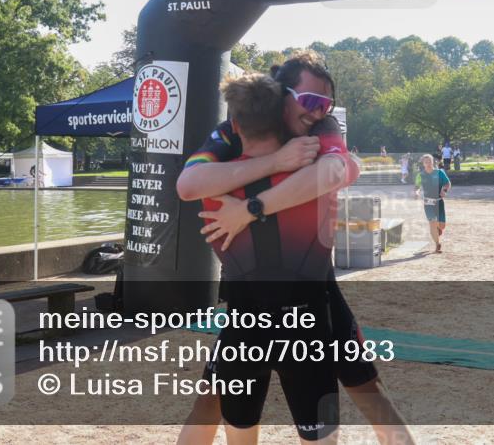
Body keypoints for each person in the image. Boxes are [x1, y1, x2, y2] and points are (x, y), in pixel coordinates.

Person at [175, 50, 413, 445]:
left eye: (326, 104)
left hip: (316, 293)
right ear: (281, 94)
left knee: (367, 392)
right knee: (212, 401)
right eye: (310, 101)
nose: (319, 112)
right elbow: (186, 184)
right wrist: (276, 162)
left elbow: (338, 170)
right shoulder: (237, 127)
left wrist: (251, 208)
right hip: (262, 302)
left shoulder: (322, 129)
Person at [202, 73, 343, 444]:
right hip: (309, 325)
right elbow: (339, 170)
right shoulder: (313, 180)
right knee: (322, 438)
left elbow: (187, 186)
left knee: (240, 435)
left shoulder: (215, 192)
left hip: (243, 327)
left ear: (234, 124)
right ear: (283, 115)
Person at [415, 154, 451, 253]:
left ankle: (438, 229)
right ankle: (437, 244)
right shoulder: (420, 175)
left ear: (433, 162)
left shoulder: (440, 172)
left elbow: (447, 183)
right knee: (432, 223)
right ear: (423, 163)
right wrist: (417, 192)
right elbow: (417, 186)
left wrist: (444, 190)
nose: (428, 164)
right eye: (426, 162)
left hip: (439, 202)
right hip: (428, 203)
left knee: (442, 226)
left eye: (429, 161)